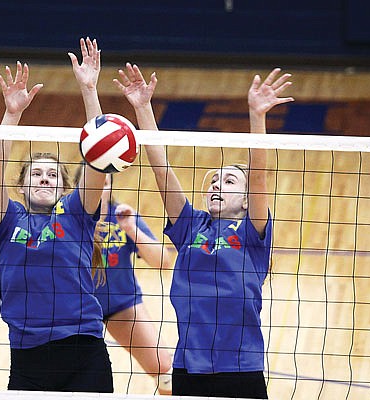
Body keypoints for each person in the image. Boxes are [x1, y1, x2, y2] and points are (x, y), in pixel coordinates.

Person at [114, 63, 293, 398]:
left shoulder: (252, 232)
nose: (216, 185)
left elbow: (258, 175)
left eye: (228, 182)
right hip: (187, 367)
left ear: (245, 199)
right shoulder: (191, 225)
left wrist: (257, 116)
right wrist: (142, 108)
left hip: (240, 369)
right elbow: (161, 170)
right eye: (213, 180)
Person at [0, 37, 113, 392]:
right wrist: (12, 114)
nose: (43, 177)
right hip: (28, 355)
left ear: (64, 188)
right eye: (35, 173)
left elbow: (99, 160)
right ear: (21, 187)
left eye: (52, 174)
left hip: (83, 347)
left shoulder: (75, 214)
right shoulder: (7, 221)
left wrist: (89, 90)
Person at [73, 168, 174, 394]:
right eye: (91, 182)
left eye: (105, 182)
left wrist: (130, 228)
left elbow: (164, 262)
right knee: (74, 380)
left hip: (121, 305)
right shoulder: (66, 220)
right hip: (76, 312)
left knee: (165, 371)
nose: (99, 187)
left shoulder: (122, 217)